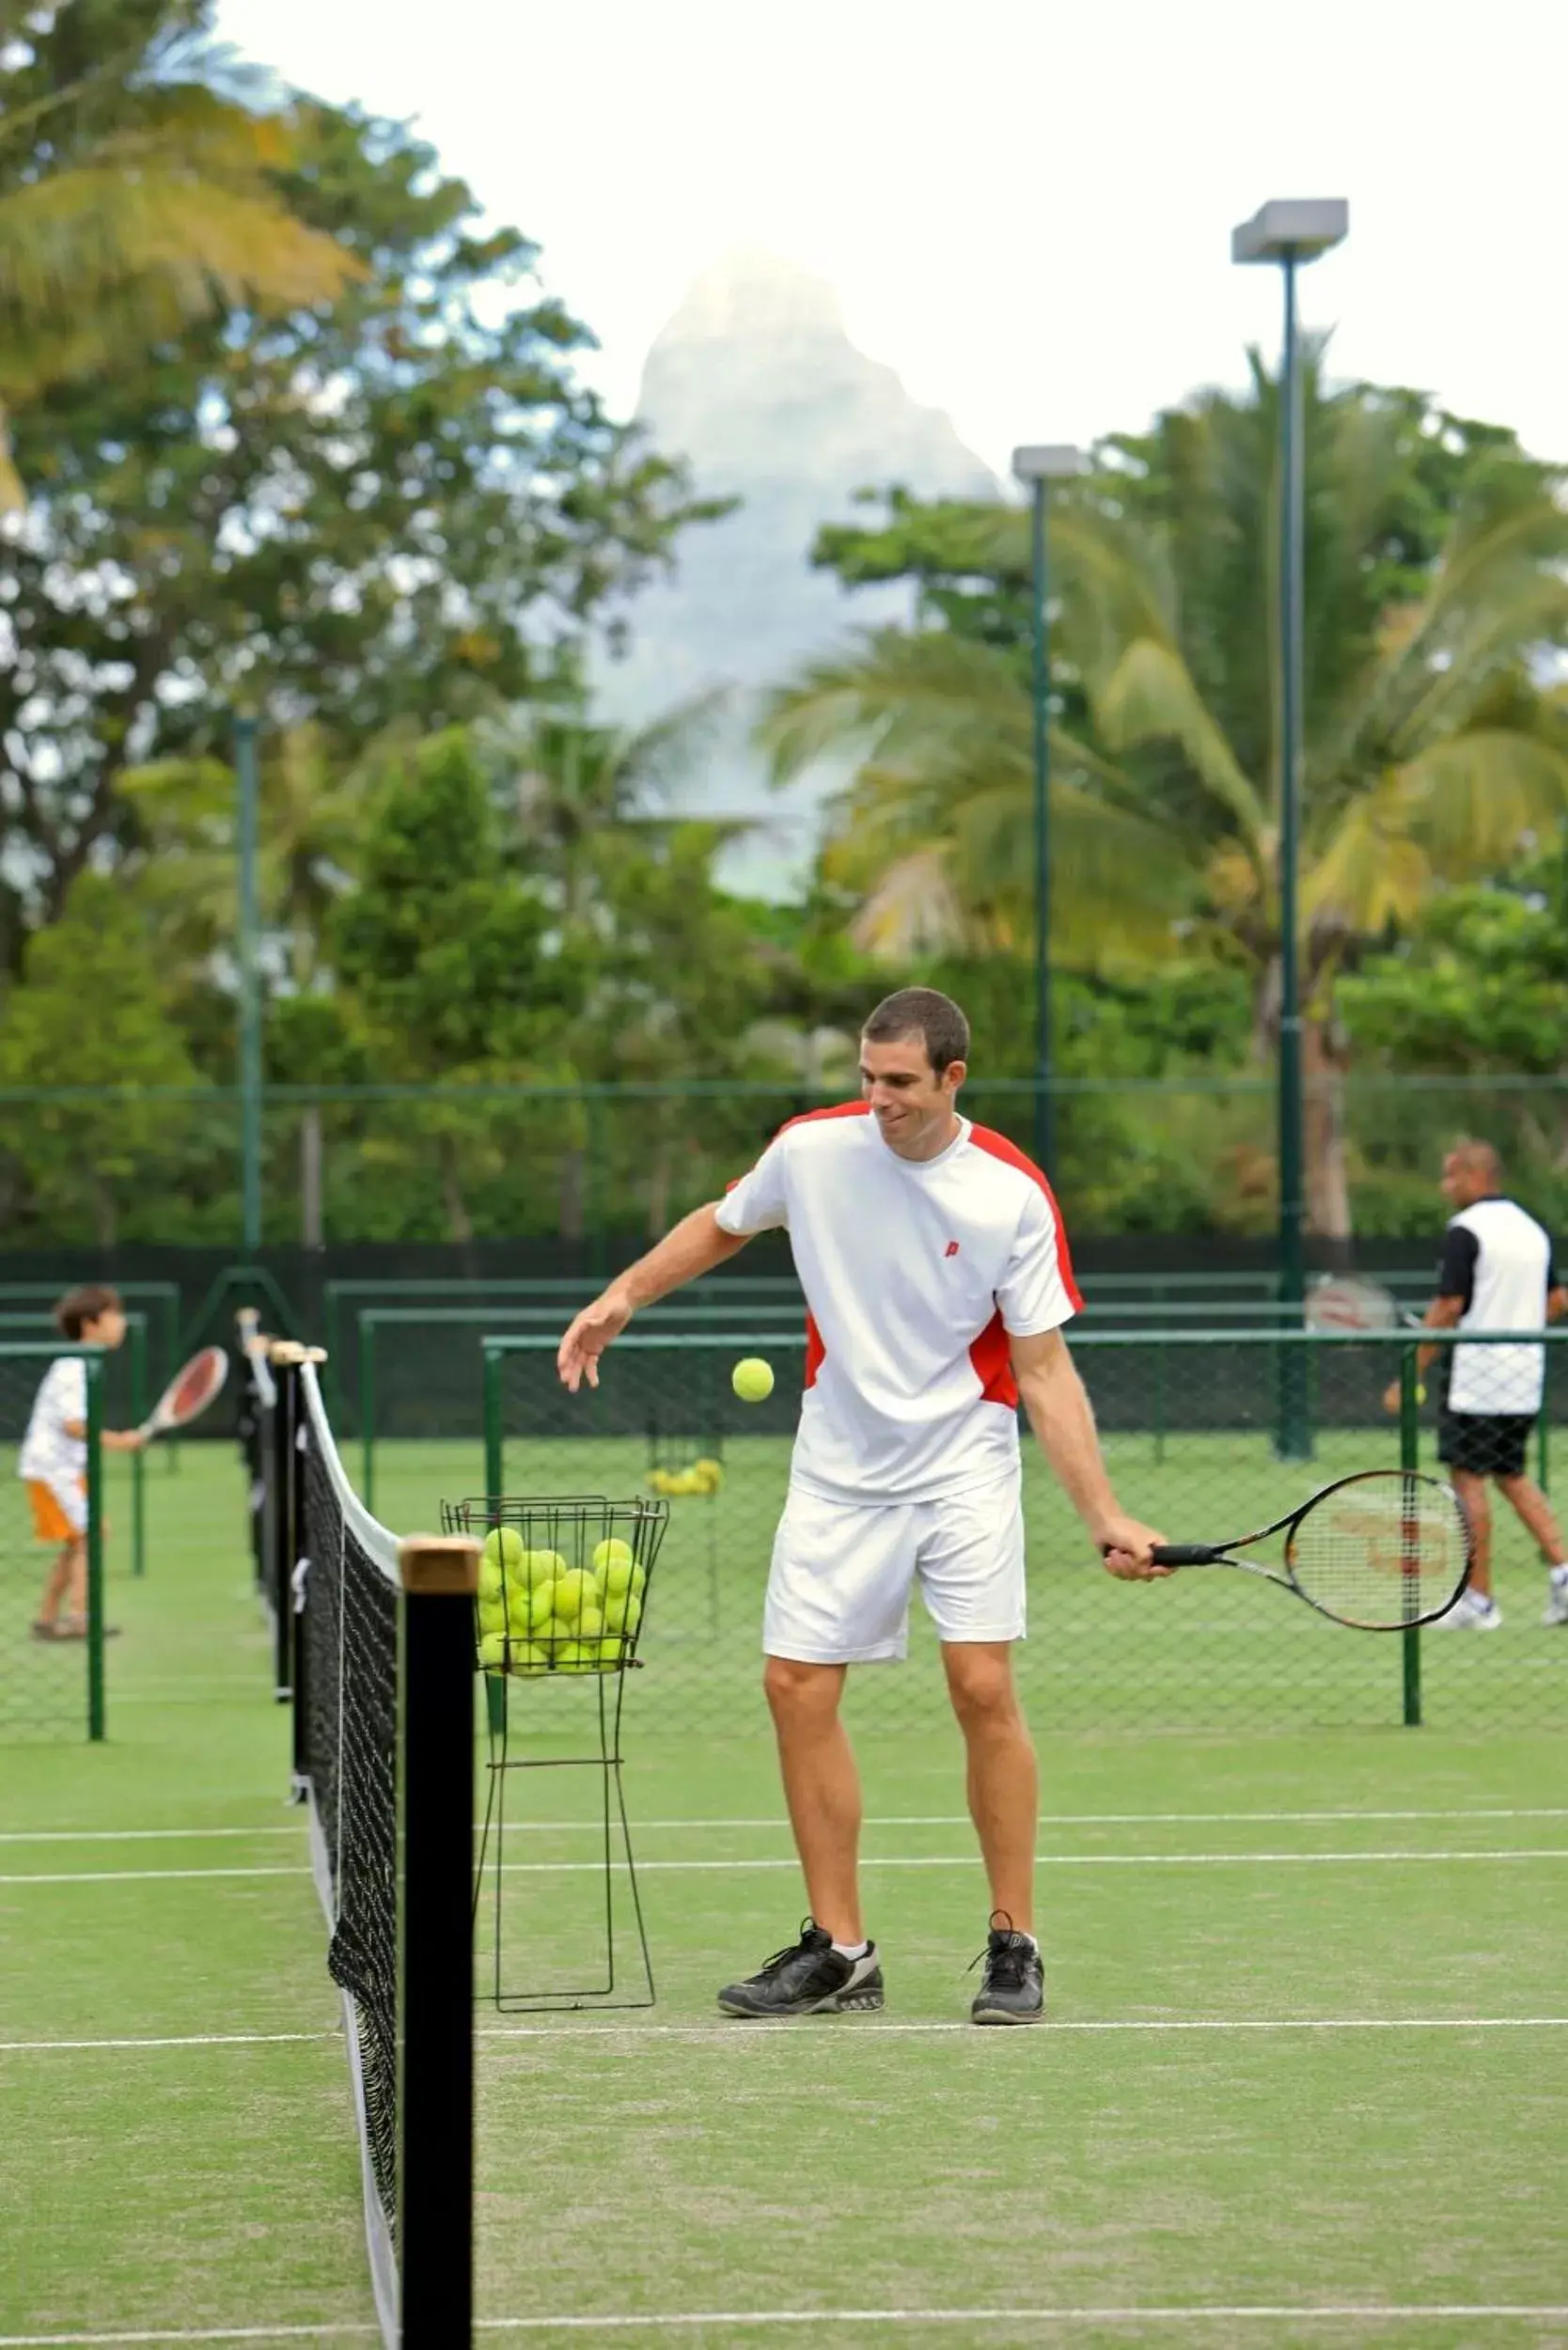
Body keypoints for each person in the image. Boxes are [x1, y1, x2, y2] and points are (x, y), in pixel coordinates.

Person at [557, 987, 1168, 2025]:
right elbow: (721, 1222)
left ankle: (1013, 1941)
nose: (877, 1099)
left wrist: (1103, 1511)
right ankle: (840, 1952)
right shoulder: (812, 1150)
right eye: (866, 1078)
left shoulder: (1010, 1192)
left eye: (899, 1082)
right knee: (795, 1686)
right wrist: (625, 1293)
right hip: (838, 1466)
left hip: (963, 1462)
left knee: (981, 1686)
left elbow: (1046, 1369)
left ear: (950, 1079)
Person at [1382, 1141, 1568, 1629]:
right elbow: (1556, 1300)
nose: (1445, 1187)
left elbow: (1447, 1307)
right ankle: (1566, 1577)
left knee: (1468, 1479)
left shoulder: (1466, 1230)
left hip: (1475, 1379)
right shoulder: (1531, 1229)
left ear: (1472, 1175)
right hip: (1525, 1375)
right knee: (1512, 1474)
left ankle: (1478, 1602)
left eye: (1449, 1177)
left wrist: (1410, 1370)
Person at [21, 1284, 144, 1641]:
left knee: (81, 1540)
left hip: (64, 1471)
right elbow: (74, 1425)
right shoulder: (73, 1368)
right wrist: (120, 1441)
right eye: (114, 1316)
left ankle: (48, 1620)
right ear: (90, 1324)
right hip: (51, 1470)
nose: (121, 1323)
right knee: (90, 1536)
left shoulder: (86, 1364)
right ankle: (79, 1618)